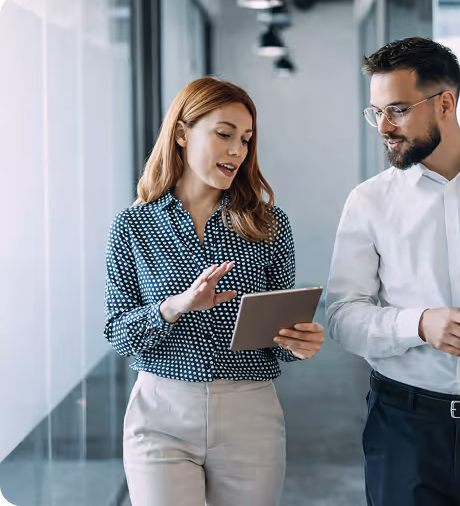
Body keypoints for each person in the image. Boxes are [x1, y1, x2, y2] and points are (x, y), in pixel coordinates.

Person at [326, 37, 460, 506]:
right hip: (403, 429)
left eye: (398, 109)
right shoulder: (369, 202)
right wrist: (420, 324)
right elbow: (342, 318)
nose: (383, 126)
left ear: (445, 102)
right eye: (376, 112)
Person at [104, 76, 324, 506]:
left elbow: (277, 343)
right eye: (224, 134)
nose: (237, 151)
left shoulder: (270, 225)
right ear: (182, 133)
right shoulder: (133, 226)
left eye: (245, 139)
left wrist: (298, 343)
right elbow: (118, 333)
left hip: (250, 414)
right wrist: (175, 306)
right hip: (160, 411)